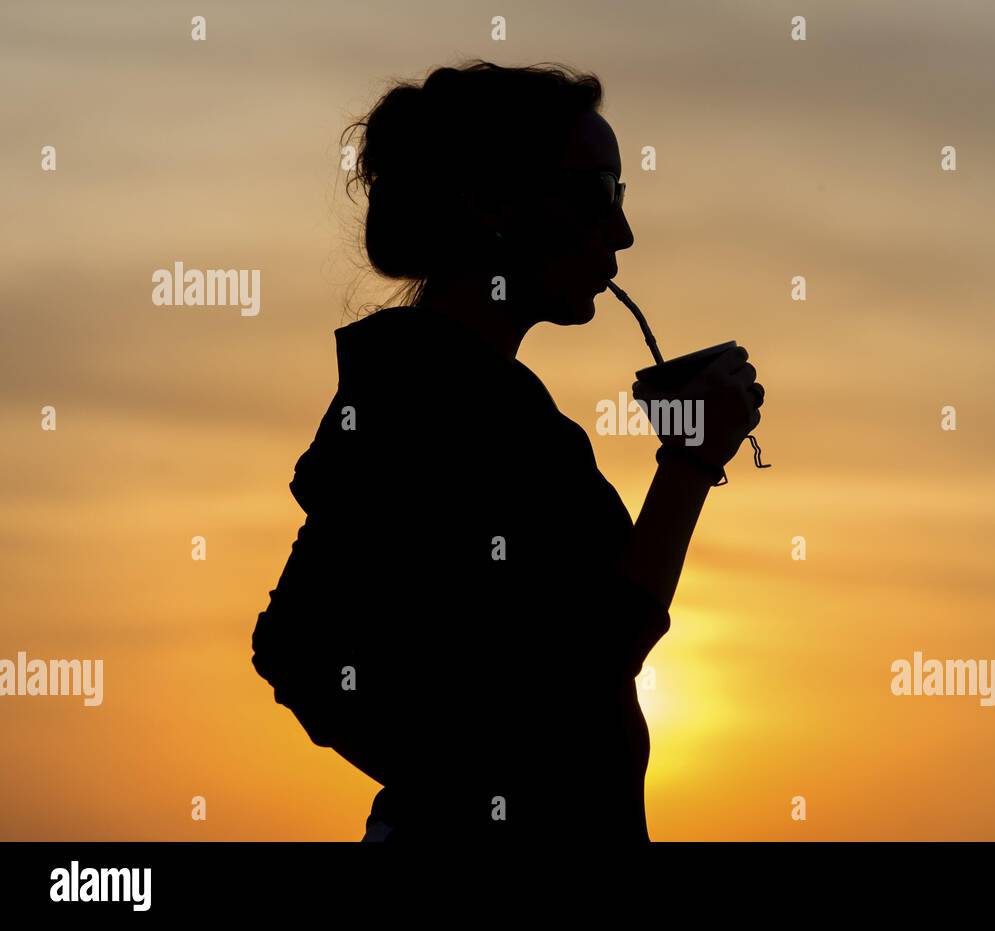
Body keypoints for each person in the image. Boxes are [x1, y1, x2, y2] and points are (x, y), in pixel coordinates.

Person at [250, 59, 765, 842]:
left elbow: (299, 644)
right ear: (494, 203)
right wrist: (691, 461)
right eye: (599, 192)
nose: (621, 229)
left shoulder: (436, 391)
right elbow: (600, 655)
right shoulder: (445, 403)